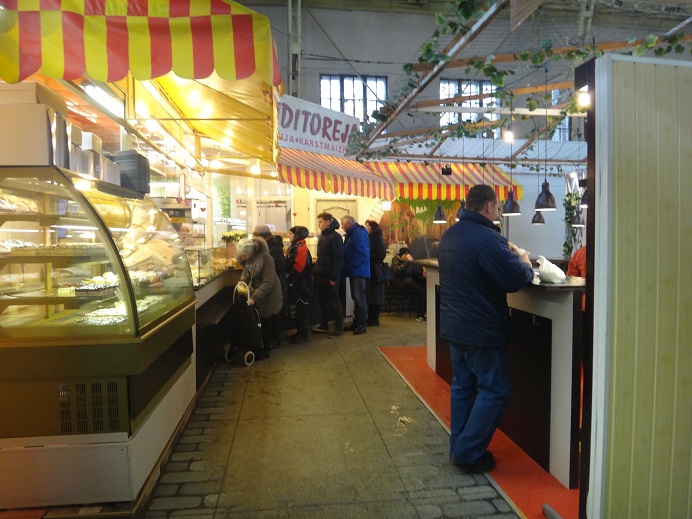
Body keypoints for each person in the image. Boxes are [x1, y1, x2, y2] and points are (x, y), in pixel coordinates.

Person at [438, 184, 534, 473]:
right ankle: (467, 453)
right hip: (481, 328)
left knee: (463, 387)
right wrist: (524, 262)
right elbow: (516, 277)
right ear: (489, 206)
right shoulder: (488, 239)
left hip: (454, 326)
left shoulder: (450, 235)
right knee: (495, 389)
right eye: (498, 207)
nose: (498, 212)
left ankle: (459, 446)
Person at [236, 237, 284, 359]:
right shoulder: (247, 260)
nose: (242, 258)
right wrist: (241, 285)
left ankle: (267, 346)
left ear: (251, 253)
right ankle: (262, 345)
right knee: (261, 321)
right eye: (241, 256)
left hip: (270, 294)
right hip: (259, 293)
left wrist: (254, 297)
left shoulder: (267, 259)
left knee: (267, 319)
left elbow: (268, 282)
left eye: (244, 256)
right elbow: (245, 275)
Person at [252, 223, 287, 348]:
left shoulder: (274, 248)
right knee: (273, 313)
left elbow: (277, 267)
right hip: (274, 283)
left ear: (262, 236)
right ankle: (273, 339)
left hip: (276, 284)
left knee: (274, 314)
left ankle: (274, 339)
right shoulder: (270, 246)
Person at [312, 212, 345, 338]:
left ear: (327, 222)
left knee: (334, 302)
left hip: (330, 276)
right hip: (322, 275)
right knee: (323, 301)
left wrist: (334, 277)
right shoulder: (322, 236)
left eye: (320, 222)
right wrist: (316, 272)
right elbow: (320, 257)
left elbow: (338, 259)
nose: (318, 224)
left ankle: (339, 327)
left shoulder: (335, 237)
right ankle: (324, 325)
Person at [340, 215, 370, 335]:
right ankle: (357, 322)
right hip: (355, 270)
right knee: (355, 297)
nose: (341, 226)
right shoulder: (353, 233)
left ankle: (362, 324)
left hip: (358, 270)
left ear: (348, 224)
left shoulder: (358, 233)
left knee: (359, 297)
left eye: (342, 224)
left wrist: (351, 265)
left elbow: (361, 253)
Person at [285, 226, 313, 343]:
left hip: (301, 285)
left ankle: (303, 335)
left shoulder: (300, 248)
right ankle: (299, 332)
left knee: (301, 310)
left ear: (297, 235)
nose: (289, 236)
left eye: (291, 234)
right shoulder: (296, 247)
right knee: (297, 310)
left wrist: (290, 280)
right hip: (299, 283)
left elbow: (298, 267)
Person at [391, 247, 427, 321]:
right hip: (400, 283)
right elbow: (400, 272)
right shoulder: (395, 262)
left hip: (408, 281)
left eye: (407, 254)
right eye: (404, 254)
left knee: (424, 286)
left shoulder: (406, 262)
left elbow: (413, 271)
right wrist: (407, 262)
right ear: (400, 254)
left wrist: (421, 273)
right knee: (421, 291)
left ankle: (425, 311)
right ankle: (420, 314)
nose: (406, 256)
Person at [364, 220, 387, 326]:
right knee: (371, 295)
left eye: (367, 226)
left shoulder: (377, 238)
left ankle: (374, 318)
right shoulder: (371, 237)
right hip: (371, 269)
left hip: (375, 270)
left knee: (375, 295)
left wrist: (368, 256)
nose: (366, 228)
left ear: (372, 227)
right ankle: (371, 318)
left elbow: (381, 254)